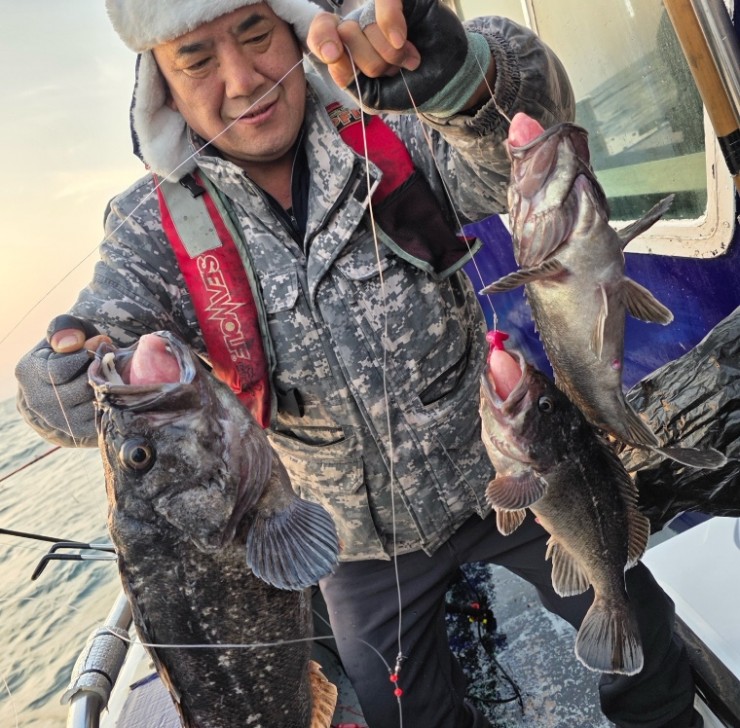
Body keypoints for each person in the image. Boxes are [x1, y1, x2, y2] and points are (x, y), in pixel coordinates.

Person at [15, 0, 702, 726]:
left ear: (292, 29)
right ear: (160, 85)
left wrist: (468, 74)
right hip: (354, 543)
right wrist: (62, 380)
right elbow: (78, 362)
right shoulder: (149, 230)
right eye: (198, 60)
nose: (243, 80)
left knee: (642, 627)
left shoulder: (387, 120)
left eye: (256, 35)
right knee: (403, 713)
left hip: (510, 471)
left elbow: (528, 137)